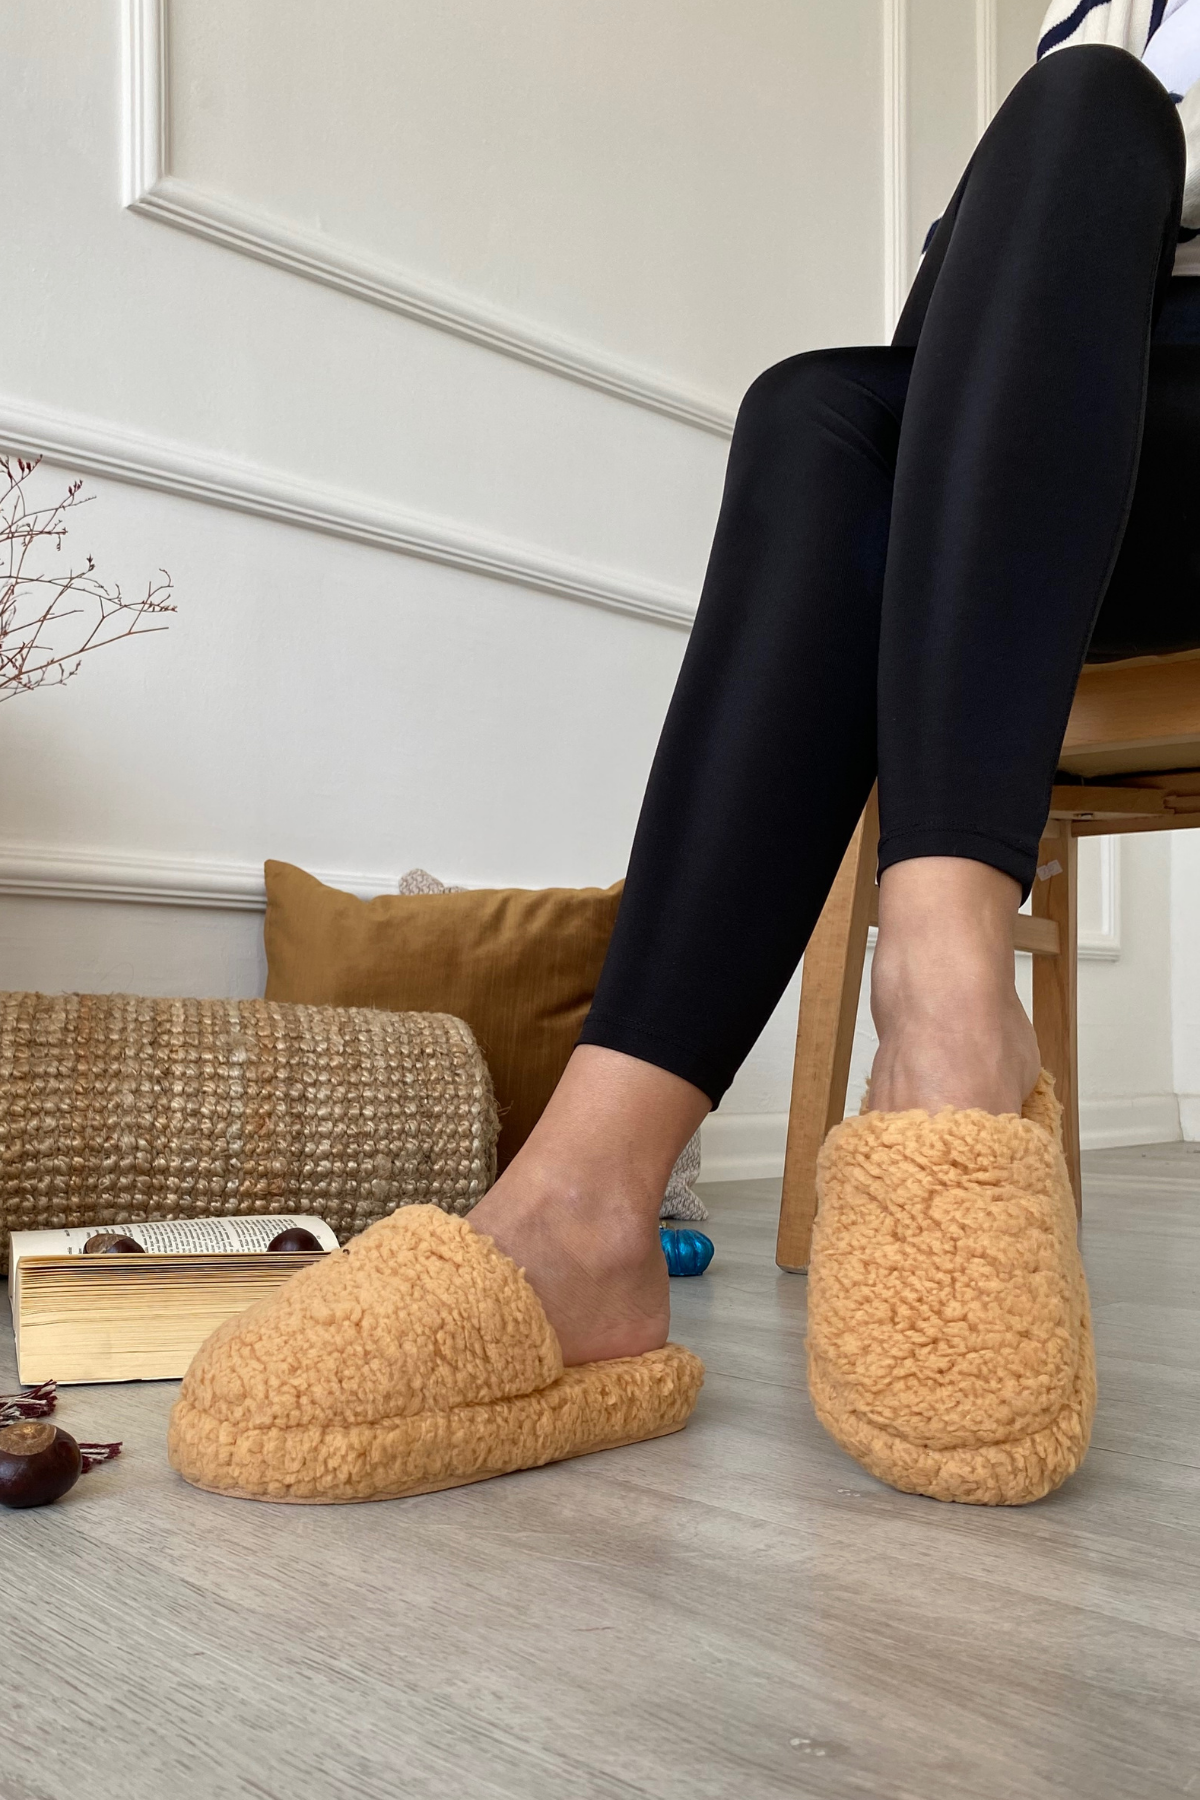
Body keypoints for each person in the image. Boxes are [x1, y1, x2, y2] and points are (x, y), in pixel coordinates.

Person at [467, 14, 1200, 1397]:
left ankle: (944, 1008)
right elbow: (946, 336)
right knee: (817, 414)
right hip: (1085, 442)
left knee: (1091, 103)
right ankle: (589, 1197)